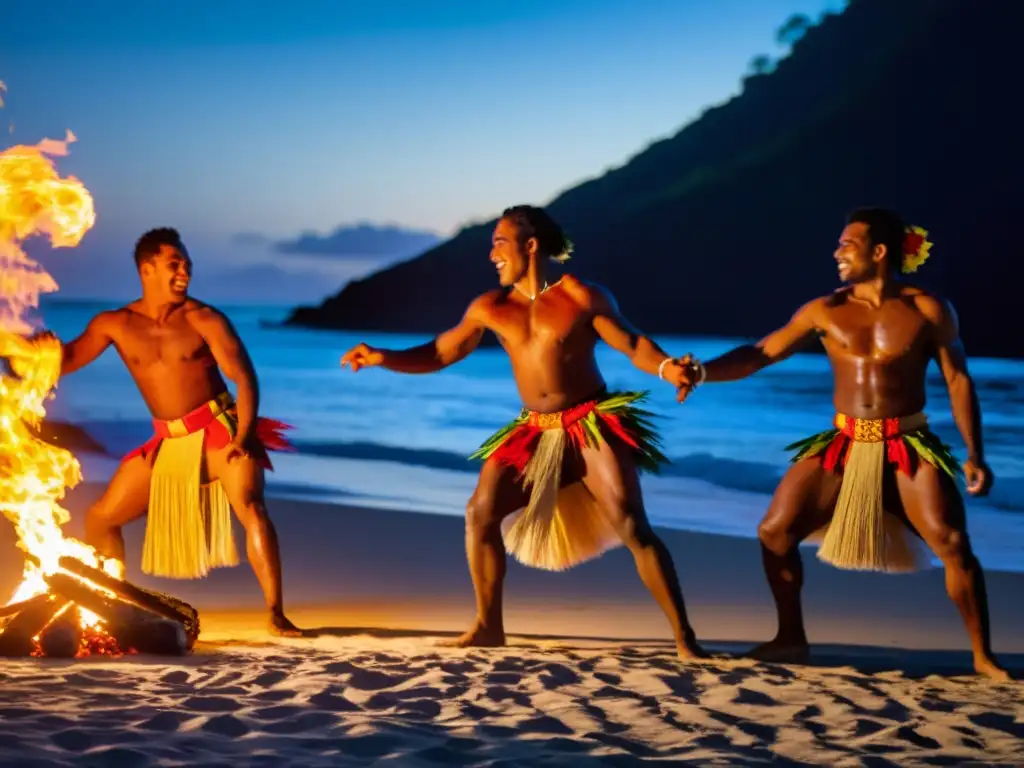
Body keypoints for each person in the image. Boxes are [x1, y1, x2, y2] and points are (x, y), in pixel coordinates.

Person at [340, 205, 705, 659]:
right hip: (533, 431)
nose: (491, 252)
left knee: (632, 526)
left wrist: (670, 368)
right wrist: (383, 357)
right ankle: (488, 626)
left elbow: (633, 344)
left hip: (589, 423)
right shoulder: (491, 308)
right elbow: (440, 352)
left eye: (499, 241)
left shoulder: (581, 297)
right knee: (480, 512)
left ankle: (685, 639)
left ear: (530, 245)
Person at [674, 207, 1009, 680]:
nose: (837, 253)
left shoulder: (928, 310)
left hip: (907, 442)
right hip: (845, 440)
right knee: (775, 531)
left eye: (847, 244)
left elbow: (958, 380)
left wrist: (976, 453)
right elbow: (761, 352)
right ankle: (790, 639)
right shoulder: (825, 311)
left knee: (952, 541)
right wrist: (703, 371)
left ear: (879, 251)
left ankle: (983, 655)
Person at [44, 227, 301, 636]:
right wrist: (31, 352)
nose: (185, 272)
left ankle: (275, 614)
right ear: (147, 269)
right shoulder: (115, 324)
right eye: (174, 264)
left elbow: (244, 378)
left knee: (251, 508)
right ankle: (113, 604)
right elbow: (68, 359)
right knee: (101, 518)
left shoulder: (205, 319)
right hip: (168, 441)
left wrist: (245, 435)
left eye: (187, 264)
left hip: (220, 429)